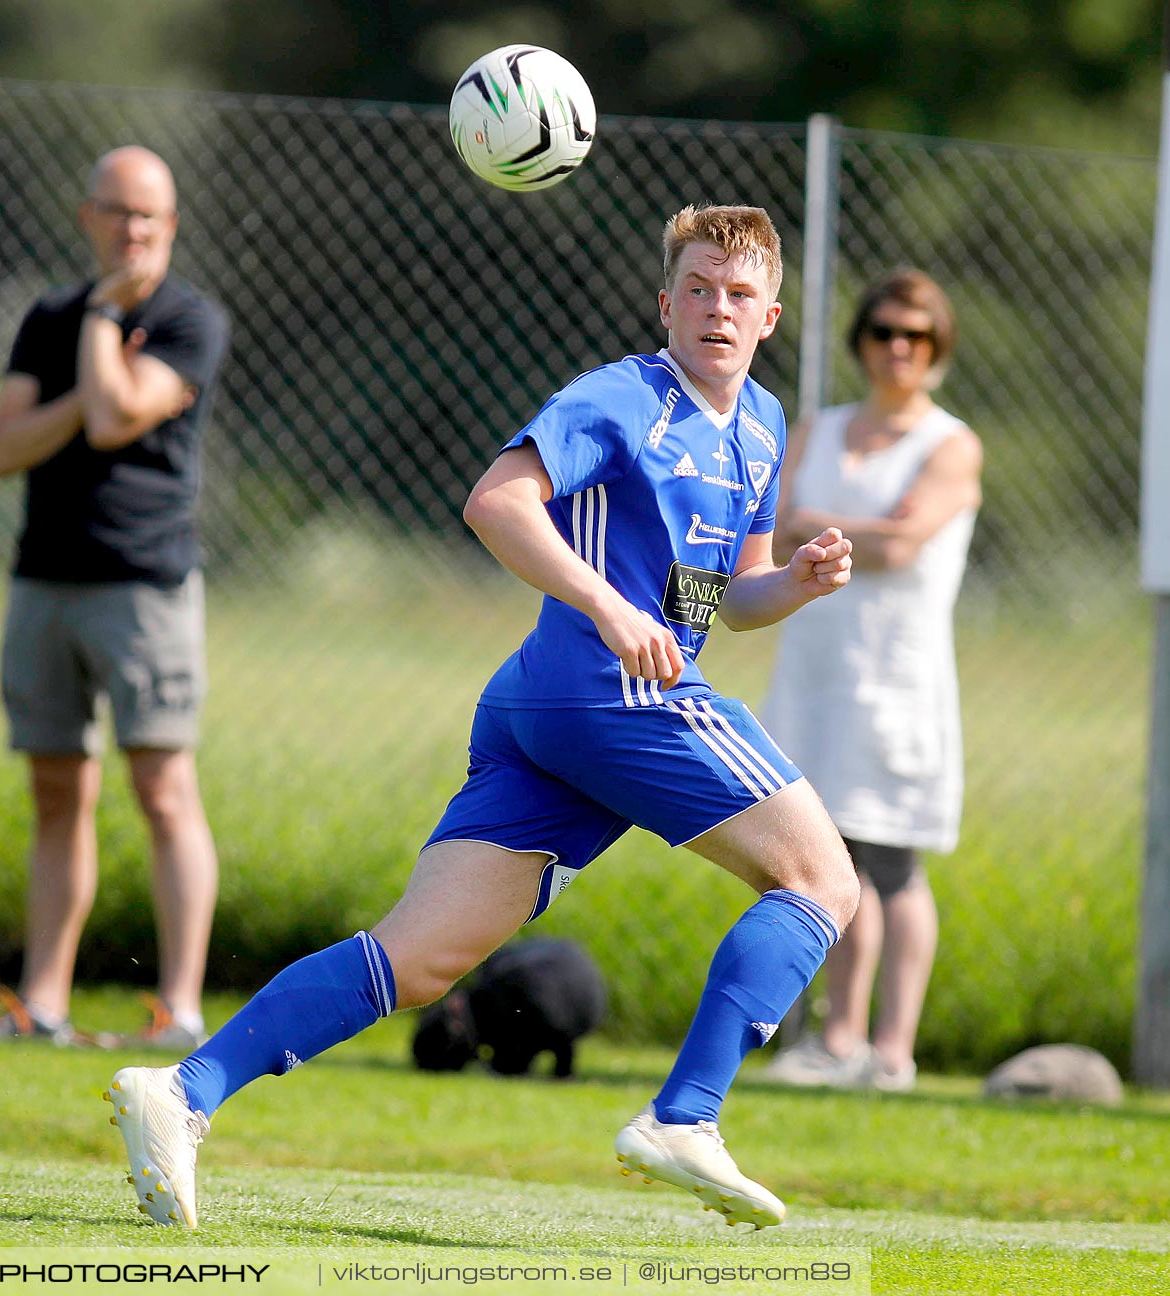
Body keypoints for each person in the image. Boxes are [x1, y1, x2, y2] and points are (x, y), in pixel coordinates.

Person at [107, 204, 857, 1230]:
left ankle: (183, 1092)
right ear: (665, 302)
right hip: (605, 690)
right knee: (823, 880)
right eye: (696, 289)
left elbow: (732, 592)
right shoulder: (623, 399)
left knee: (419, 959)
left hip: (545, 712)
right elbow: (498, 502)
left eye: (737, 295)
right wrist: (605, 603)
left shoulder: (763, 427)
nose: (715, 311)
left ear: (769, 316)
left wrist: (800, 585)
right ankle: (686, 1116)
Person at [0, 146, 229, 1050]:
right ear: (89, 217)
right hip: (44, 578)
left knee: (163, 790)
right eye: (117, 213)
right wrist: (90, 351)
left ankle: (179, 1009)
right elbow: (2, 448)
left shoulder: (189, 320)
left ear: (170, 227)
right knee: (57, 794)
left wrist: (94, 370)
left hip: (144, 585)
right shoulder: (50, 317)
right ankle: (42, 1005)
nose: (131, 231)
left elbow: (120, 413)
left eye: (149, 219)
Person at [758, 270, 981, 1093]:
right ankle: (828, 1039)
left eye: (917, 336)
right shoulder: (819, 428)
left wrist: (813, 526)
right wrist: (829, 530)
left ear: (938, 348)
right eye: (886, 330)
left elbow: (898, 547)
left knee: (889, 862)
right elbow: (771, 529)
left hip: (897, 680)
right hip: (813, 674)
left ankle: (883, 1048)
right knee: (818, 854)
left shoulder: (950, 443)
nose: (899, 348)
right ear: (862, 340)